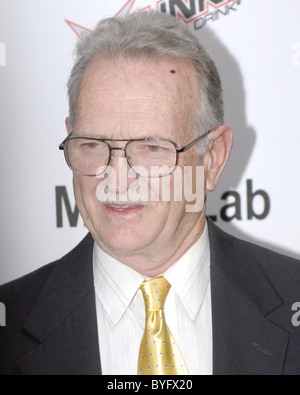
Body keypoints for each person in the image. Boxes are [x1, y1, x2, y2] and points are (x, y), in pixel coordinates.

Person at [0, 11, 300, 376]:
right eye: (93, 144)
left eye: (152, 148)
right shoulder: (10, 323)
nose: (118, 179)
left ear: (213, 158)